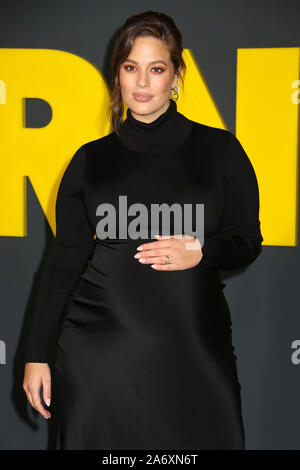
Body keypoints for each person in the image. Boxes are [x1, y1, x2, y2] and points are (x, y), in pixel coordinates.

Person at [23, 10, 263, 450]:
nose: (142, 82)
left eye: (156, 69)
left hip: (192, 351)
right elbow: (61, 265)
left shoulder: (220, 151)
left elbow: (247, 240)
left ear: (176, 75)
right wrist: (36, 354)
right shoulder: (90, 161)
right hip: (97, 355)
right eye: (130, 67)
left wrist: (202, 252)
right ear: (117, 74)